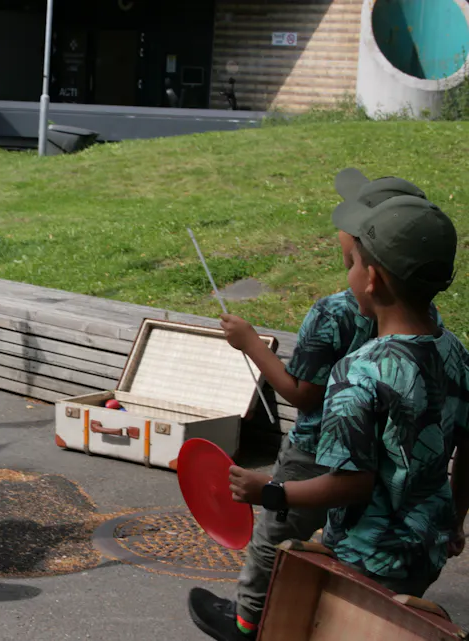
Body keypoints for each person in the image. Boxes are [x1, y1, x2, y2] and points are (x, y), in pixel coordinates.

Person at [187, 169, 443, 641]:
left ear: (371, 268)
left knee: (277, 541)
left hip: (323, 472)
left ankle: (247, 624)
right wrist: (457, 517)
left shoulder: (342, 333)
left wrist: (249, 344)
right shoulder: (445, 341)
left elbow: (307, 399)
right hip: (420, 530)